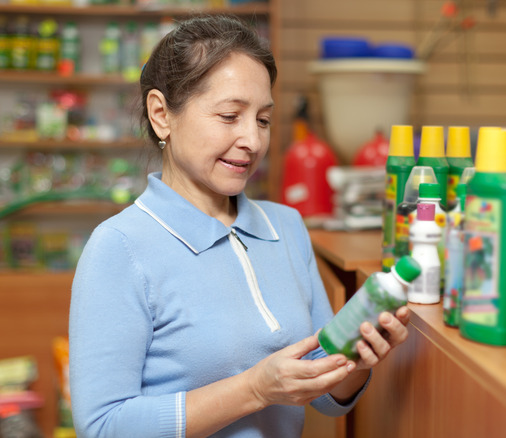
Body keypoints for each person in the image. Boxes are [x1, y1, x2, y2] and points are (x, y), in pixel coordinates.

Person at [69, 15, 411, 438]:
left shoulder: (286, 227)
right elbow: (102, 427)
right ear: (161, 114)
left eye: (263, 120)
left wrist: (354, 363)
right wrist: (255, 389)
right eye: (230, 116)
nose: (252, 140)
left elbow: (324, 395)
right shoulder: (119, 248)